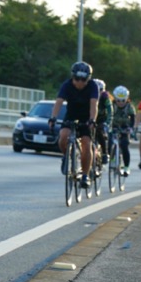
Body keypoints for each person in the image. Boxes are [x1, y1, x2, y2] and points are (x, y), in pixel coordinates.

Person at [49, 61, 100, 189]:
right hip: (71, 115)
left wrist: (92, 120)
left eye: (84, 79)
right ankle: (67, 156)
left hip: (86, 117)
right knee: (63, 137)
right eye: (77, 79)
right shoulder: (66, 85)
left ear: (88, 79)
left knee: (86, 143)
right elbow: (59, 102)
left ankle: (85, 175)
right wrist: (53, 117)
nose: (80, 82)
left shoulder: (93, 86)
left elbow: (94, 105)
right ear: (73, 77)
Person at [111, 85, 136, 177]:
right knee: (109, 142)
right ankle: (112, 158)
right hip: (113, 125)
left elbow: (133, 118)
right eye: (118, 100)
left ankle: (126, 167)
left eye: (123, 100)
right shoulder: (111, 105)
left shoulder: (129, 106)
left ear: (126, 99)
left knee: (124, 145)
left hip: (125, 126)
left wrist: (131, 128)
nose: (120, 103)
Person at [94, 79, 114, 167]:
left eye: (100, 90)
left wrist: (108, 122)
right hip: (91, 118)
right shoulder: (88, 96)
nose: (98, 92)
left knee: (101, 133)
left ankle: (105, 153)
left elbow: (110, 111)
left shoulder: (105, 97)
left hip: (102, 119)